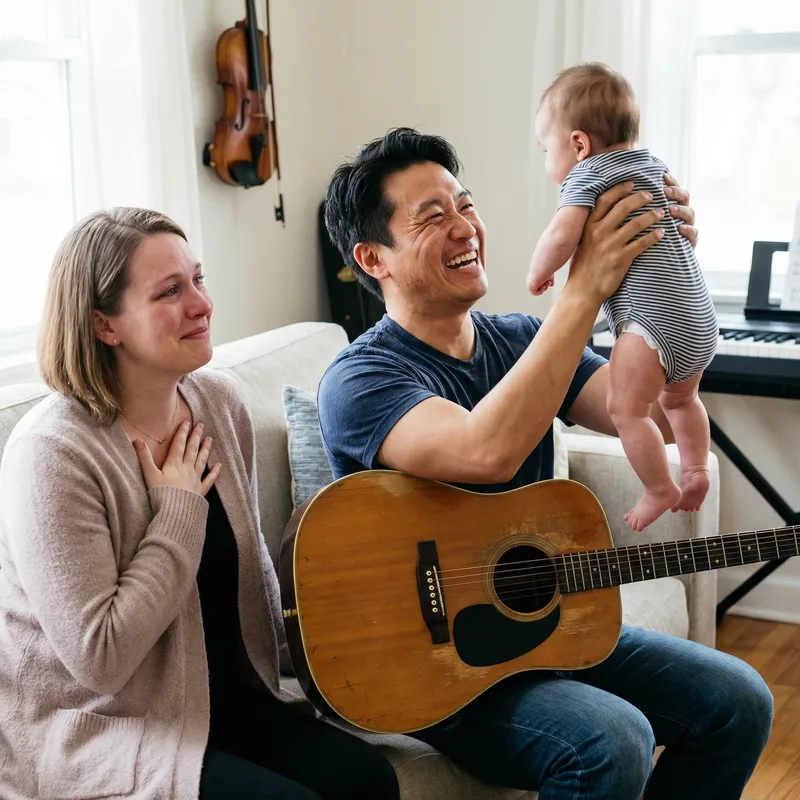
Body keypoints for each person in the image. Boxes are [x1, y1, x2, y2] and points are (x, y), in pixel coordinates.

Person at [318, 127, 773, 800]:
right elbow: (487, 450)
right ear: (371, 257)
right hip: (433, 663)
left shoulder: (520, 339)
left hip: (543, 631)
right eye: (433, 216)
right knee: (612, 742)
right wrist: (582, 288)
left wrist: (666, 281)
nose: (464, 227)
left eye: (465, 205)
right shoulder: (360, 380)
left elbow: (645, 413)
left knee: (741, 698)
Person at [0, 208, 399, 800]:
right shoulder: (52, 452)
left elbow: (251, 574)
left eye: (198, 279)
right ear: (104, 325)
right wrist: (179, 510)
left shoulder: (217, 401)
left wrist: (335, 654)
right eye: (169, 291)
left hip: (222, 700)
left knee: (368, 780)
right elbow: (101, 659)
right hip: (106, 726)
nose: (202, 304)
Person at [526, 63, 718, 531]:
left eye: (545, 149)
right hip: (698, 312)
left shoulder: (586, 176)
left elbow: (561, 235)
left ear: (578, 144)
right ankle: (694, 468)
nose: (547, 161)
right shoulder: (655, 167)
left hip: (648, 322)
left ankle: (659, 487)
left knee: (626, 409)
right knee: (680, 401)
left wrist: (539, 271)